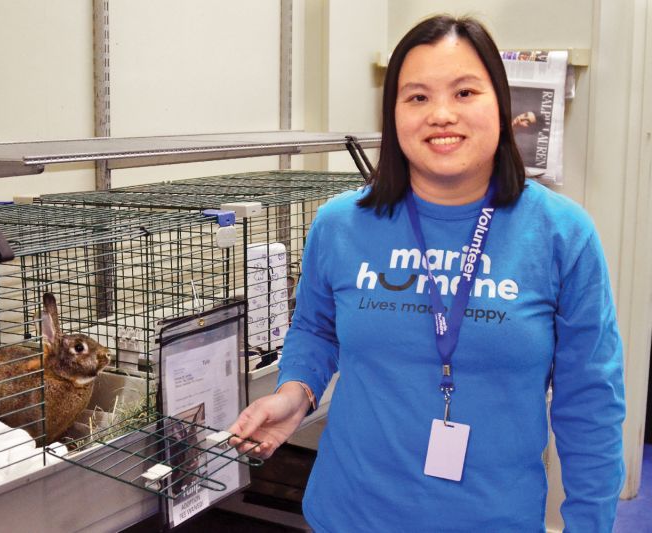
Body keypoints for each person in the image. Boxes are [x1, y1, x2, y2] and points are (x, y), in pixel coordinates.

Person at [230, 14, 625, 532]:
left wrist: (591, 523)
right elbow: (316, 329)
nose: (441, 114)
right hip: (350, 513)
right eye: (417, 97)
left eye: (464, 92)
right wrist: (296, 390)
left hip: (494, 518)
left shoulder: (560, 233)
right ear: (393, 114)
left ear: (501, 106)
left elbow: (590, 398)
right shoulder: (341, 225)